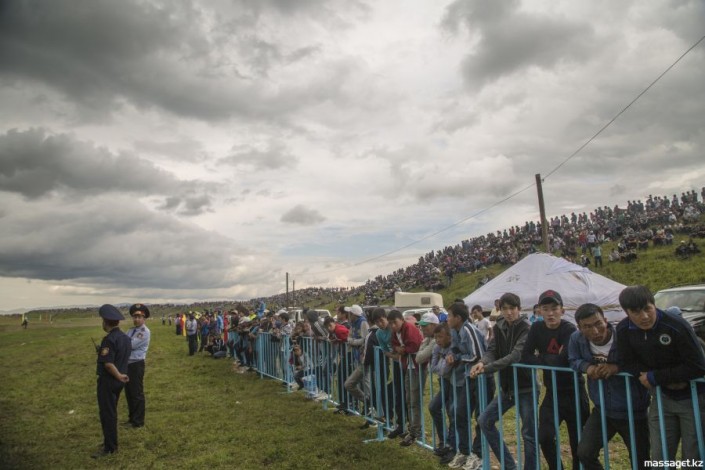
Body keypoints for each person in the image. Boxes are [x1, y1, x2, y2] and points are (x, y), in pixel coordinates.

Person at [617, 285, 705, 463]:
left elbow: (698, 365)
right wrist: (648, 375)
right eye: (636, 312)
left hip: (694, 399)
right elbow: (626, 361)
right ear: (626, 312)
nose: (644, 316)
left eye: (647, 309)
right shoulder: (624, 329)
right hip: (661, 398)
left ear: (654, 304)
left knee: (692, 459)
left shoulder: (676, 325)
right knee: (660, 458)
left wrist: (656, 377)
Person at [569, 303, 650, 470]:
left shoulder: (624, 336)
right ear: (580, 328)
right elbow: (573, 360)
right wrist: (587, 367)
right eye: (587, 327)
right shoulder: (576, 339)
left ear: (606, 320)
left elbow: (642, 361)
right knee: (585, 453)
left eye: (598, 323)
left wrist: (617, 368)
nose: (595, 331)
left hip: (633, 410)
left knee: (640, 460)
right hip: (602, 409)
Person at [521, 290, 589, 470]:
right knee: (544, 437)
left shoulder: (569, 329)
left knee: (578, 444)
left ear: (562, 310)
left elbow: (564, 360)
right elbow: (525, 356)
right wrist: (550, 358)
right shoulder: (536, 328)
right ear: (539, 311)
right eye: (545, 309)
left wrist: (542, 357)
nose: (550, 313)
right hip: (552, 394)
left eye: (554, 308)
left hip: (574, 393)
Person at [471, 292, 536, 470]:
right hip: (507, 387)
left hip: (526, 387)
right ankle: (509, 465)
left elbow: (515, 355)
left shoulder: (527, 328)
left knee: (529, 435)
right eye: (504, 308)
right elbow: (492, 350)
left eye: (512, 308)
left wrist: (487, 368)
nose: (508, 312)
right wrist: (482, 362)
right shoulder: (499, 326)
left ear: (519, 309)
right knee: (485, 420)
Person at [445, 302, 488, 470]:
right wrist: (451, 354)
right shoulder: (455, 331)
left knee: (481, 418)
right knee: (460, 413)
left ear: (458, 318)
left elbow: (478, 356)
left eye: (449, 316)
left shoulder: (469, 330)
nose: (447, 319)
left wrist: (457, 358)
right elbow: (454, 349)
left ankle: (479, 454)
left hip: (483, 378)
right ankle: (464, 451)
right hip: (469, 378)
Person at [93, 304, 131, 458]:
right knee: (112, 411)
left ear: (106, 321)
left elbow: (108, 364)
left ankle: (110, 448)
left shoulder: (109, 340)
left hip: (109, 381)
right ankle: (110, 442)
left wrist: (118, 375)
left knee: (107, 414)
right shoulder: (125, 338)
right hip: (120, 381)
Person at [389, 309, 423, 447]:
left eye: (395, 322)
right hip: (407, 366)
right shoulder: (395, 331)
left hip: (416, 366)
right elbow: (393, 344)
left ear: (402, 320)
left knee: (414, 399)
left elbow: (414, 345)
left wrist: (403, 350)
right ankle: (412, 429)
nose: (393, 326)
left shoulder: (409, 328)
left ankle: (416, 431)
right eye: (391, 323)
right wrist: (399, 349)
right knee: (409, 398)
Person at [124, 303, 151, 429]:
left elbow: (129, 345)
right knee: (129, 393)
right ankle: (131, 418)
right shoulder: (130, 330)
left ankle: (138, 421)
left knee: (136, 393)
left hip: (136, 365)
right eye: (135, 317)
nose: (136, 319)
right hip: (128, 365)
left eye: (139, 317)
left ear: (144, 318)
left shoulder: (144, 332)